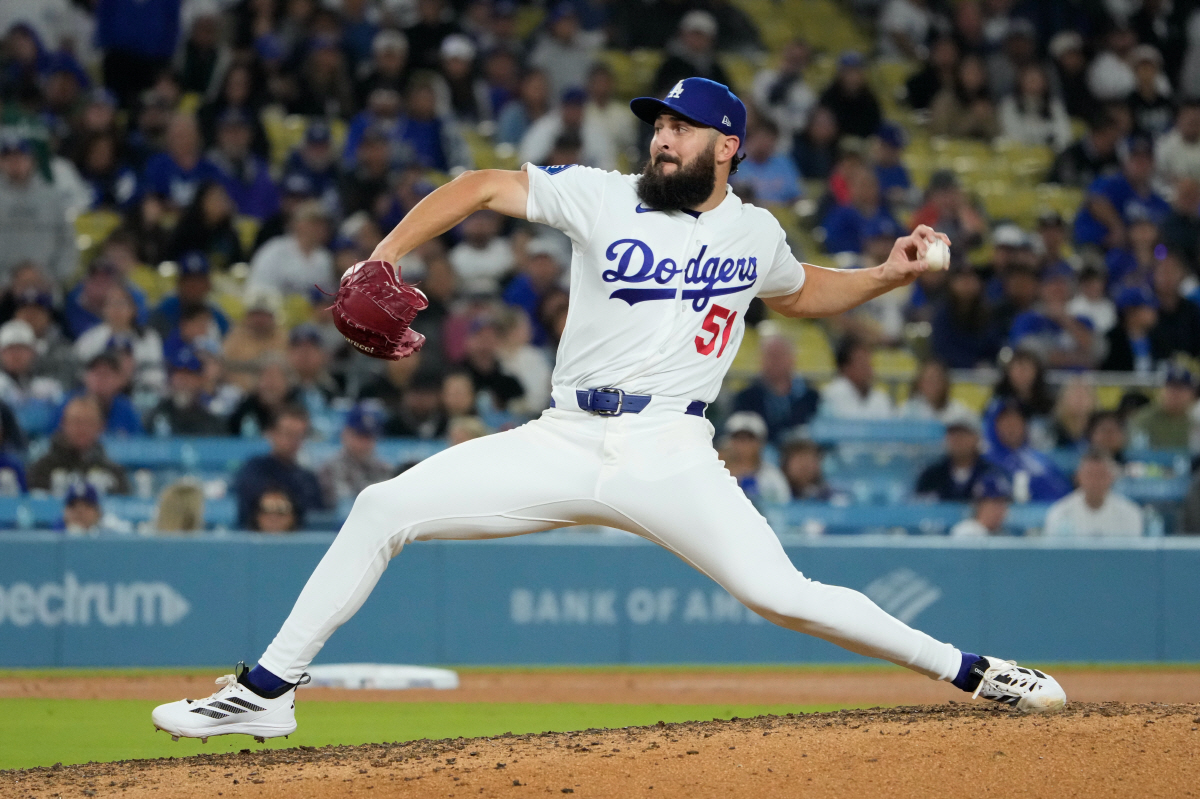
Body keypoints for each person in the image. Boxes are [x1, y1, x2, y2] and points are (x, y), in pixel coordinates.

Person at [153, 76, 1065, 743]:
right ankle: (267, 690)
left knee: (782, 594)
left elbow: (795, 292)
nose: (663, 139)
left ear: (728, 146)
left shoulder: (754, 233)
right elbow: (476, 186)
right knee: (381, 507)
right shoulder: (602, 194)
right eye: (659, 125)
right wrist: (377, 258)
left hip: (671, 447)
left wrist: (888, 274)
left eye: (683, 128)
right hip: (565, 435)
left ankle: (975, 671)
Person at [232, 405, 323, 530]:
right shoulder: (253, 469)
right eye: (288, 434)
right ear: (271, 433)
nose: (294, 441)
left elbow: (314, 517)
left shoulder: (307, 479)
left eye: (299, 435)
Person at [0, 137, 77, 284]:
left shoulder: (52, 198)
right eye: (8, 158)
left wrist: (51, 278)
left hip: (46, 285)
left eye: (21, 157)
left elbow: (67, 242)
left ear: (33, 160)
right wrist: (6, 281)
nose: (15, 163)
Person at [28, 396, 130, 496]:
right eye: (76, 422)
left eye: (89, 423)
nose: (82, 428)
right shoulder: (42, 469)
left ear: (101, 427)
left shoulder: (114, 473)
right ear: (63, 424)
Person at [732, 335, 819, 444]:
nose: (775, 361)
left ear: (792, 358)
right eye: (770, 356)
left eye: (780, 355)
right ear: (761, 359)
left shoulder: (810, 396)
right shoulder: (746, 397)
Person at [984, 400, 1073, 503]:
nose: (1012, 427)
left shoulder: (1039, 457)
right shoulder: (986, 461)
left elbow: (1063, 487)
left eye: (1017, 421)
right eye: (1006, 422)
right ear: (993, 427)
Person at [1043, 450, 1144, 537]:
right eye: (1090, 475)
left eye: (1101, 475)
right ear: (1078, 477)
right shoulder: (1060, 514)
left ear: (1112, 477)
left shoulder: (1130, 514)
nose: (1095, 481)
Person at [319, 403, 394, 507]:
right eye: (360, 436)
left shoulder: (384, 468)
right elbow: (342, 504)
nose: (364, 443)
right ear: (345, 434)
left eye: (369, 437)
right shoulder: (331, 467)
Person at [143, 346, 226, 436]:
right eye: (178, 375)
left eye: (189, 374)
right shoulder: (154, 417)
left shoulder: (211, 423)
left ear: (200, 380)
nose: (183, 381)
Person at [914, 411, 992, 502]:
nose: (958, 439)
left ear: (976, 438)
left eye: (963, 433)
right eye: (953, 433)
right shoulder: (930, 476)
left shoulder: (992, 475)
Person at [718, 411, 790, 504]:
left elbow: (784, 505)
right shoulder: (719, 473)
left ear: (761, 442)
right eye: (739, 438)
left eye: (750, 439)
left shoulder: (772, 475)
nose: (744, 444)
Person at [820, 337, 894, 419]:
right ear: (845, 367)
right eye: (862, 364)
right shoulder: (831, 395)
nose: (868, 369)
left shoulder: (880, 398)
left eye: (869, 363)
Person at [1128, 365, 1196, 449]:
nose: (1176, 395)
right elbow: (1136, 450)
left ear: (1191, 394)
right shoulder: (1145, 418)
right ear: (1162, 391)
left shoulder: (1194, 421)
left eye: (1181, 390)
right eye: (1171, 389)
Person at [900, 359, 971, 423]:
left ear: (945, 383)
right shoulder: (907, 410)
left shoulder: (959, 413)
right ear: (919, 383)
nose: (933, 385)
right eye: (928, 380)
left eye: (937, 380)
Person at [949, 472, 1013, 538]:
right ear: (980, 504)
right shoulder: (966, 531)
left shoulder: (1004, 533)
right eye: (995, 503)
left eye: (1003, 503)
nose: (1001, 509)